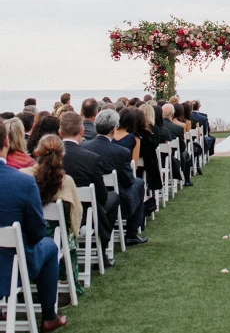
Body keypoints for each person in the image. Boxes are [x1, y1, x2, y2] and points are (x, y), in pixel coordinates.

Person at [0, 119, 67, 333]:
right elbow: (38, 232)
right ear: (6, 141)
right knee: (49, 246)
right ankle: (49, 316)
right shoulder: (23, 181)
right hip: (10, 269)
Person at [21, 134, 84, 296]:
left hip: (24, 238)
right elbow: (76, 213)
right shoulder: (66, 182)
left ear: (36, 153)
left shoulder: (23, 176)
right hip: (55, 238)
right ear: (62, 155)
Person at [59, 111, 119, 268]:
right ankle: (102, 248)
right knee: (113, 197)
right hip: (84, 214)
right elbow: (102, 196)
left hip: (53, 213)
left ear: (60, 132)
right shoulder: (91, 158)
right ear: (82, 131)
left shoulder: (45, 157)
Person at [82, 109, 148, 246]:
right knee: (139, 183)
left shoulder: (83, 147)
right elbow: (128, 180)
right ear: (113, 129)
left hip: (89, 196)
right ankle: (131, 232)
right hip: (117, 197)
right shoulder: (122, 152)